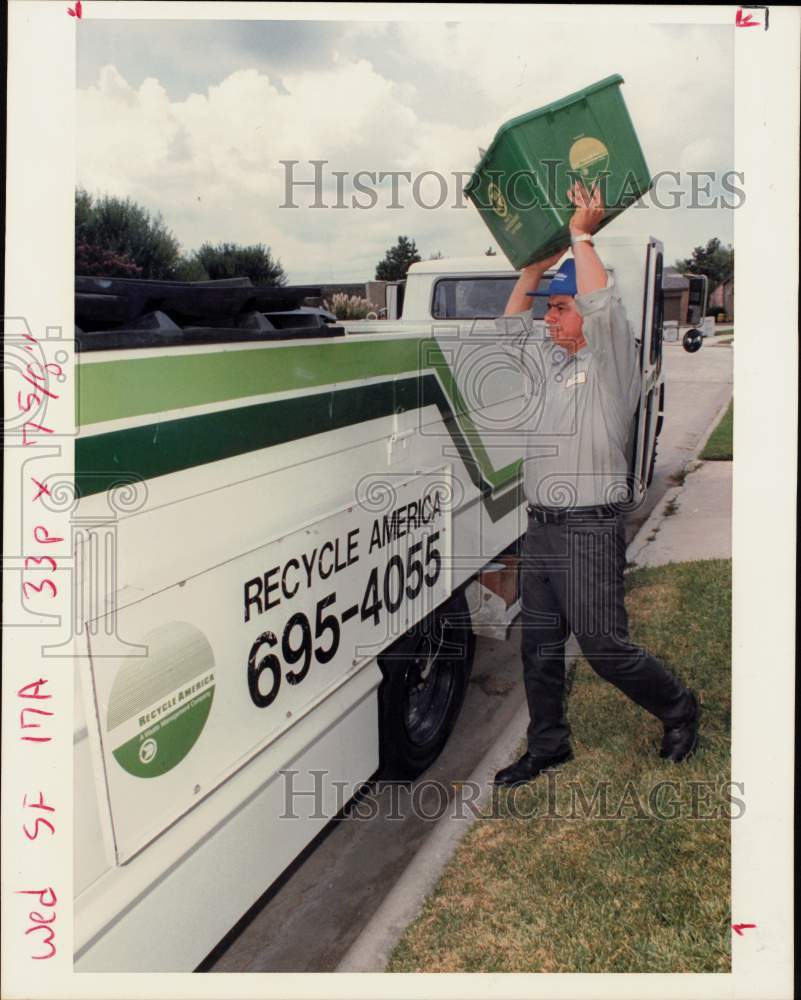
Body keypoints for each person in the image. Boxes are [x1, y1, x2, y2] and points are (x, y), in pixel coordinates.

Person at [493, 181, 699, 788]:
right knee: (537, 649)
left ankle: (679, 706)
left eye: (559, 308)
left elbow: (603, 302)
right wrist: (530, 275)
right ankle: (548, 746)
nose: (549, 318)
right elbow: (505, 342)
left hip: (587, 528)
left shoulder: (611, 363)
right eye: (549, 309)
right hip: (543, 529)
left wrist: (581, 236)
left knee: (605, 646)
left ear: (586, 313)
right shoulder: (552, 362)